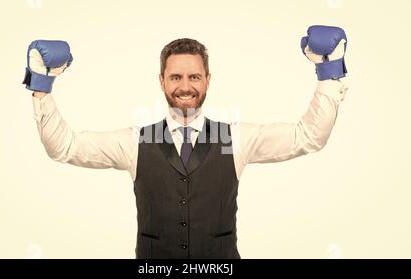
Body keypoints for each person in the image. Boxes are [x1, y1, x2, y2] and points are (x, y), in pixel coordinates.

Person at [23, 25, 349, 259]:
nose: (185, 86)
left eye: (194, 76)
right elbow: (64, 147)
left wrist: (329, 73)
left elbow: (308, 137)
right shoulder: (135, 141)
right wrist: (42, 85)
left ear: (207, 80)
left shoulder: (235, 138)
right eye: (176, 77)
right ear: (162, 81)